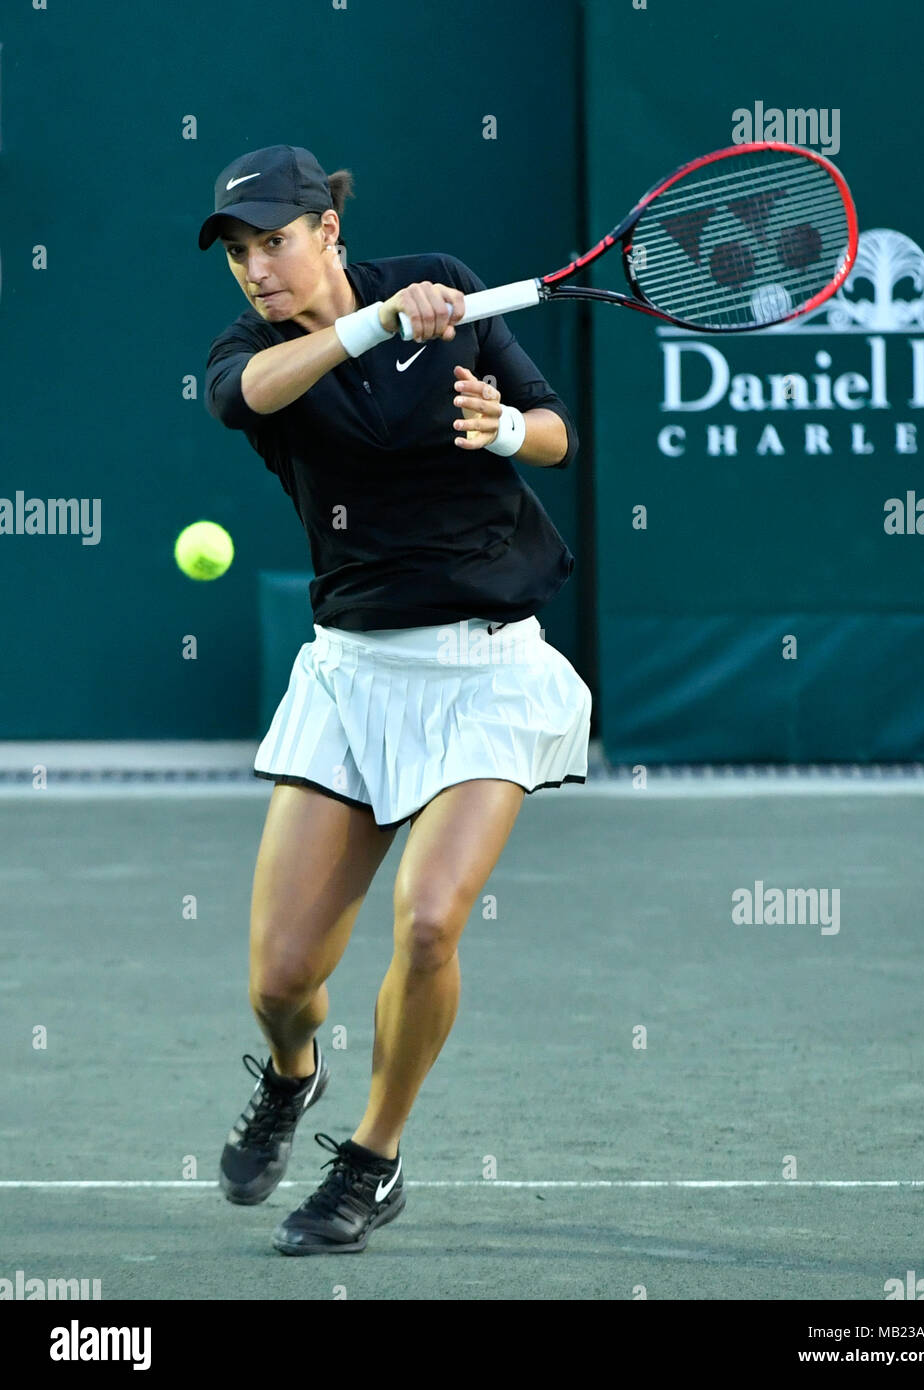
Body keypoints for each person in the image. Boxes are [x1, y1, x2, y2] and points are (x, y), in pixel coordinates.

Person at [199, 144, 591, 1254]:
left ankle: (370, 1159)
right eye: (237, 251)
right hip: (355, 679)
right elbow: (252, 394)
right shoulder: (250, 354)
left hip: (487, 674)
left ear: (329, 230)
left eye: (273, 240)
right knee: (281, 981)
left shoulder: (445, 285)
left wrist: (500, 428)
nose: (254, 268)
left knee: (427, 920)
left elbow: (555, 432)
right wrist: (375, 327)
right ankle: (292, 1073)